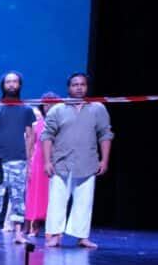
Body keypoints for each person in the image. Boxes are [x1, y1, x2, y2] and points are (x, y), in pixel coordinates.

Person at [43, 73, 114, 248]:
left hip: (87, 161)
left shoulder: (97, 108)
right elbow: (47, 136)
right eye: (75, 85)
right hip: (61, 162)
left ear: (87, 87)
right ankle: (55, 235)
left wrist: (104, 160)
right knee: (57, 201)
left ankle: (81, 236)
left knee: (84, 201)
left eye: (82, 84)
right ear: (69, 88)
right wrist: (47, 161)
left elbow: (105, 134)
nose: (79, 87)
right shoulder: (57, 109)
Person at [0, 72, 36, 245]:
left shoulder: (27, 110)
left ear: (19, 85)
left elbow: (30, 137)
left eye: (15, 82)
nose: (11, 85)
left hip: (19, 160)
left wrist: (28, 161)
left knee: (18, 198)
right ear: (3, 85)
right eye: (8, 82)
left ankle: (18, 234)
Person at [25, 93, 61, 237]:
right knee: (35, 195)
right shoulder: (37, 124)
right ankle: (34, 226)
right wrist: (28, 163)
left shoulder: (61, 123)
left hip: (56, 161)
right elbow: (31, 144)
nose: (49, 107)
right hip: (39, 162)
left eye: (52, 104)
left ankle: (52, 229)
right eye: (46, 104)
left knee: (53, 196)